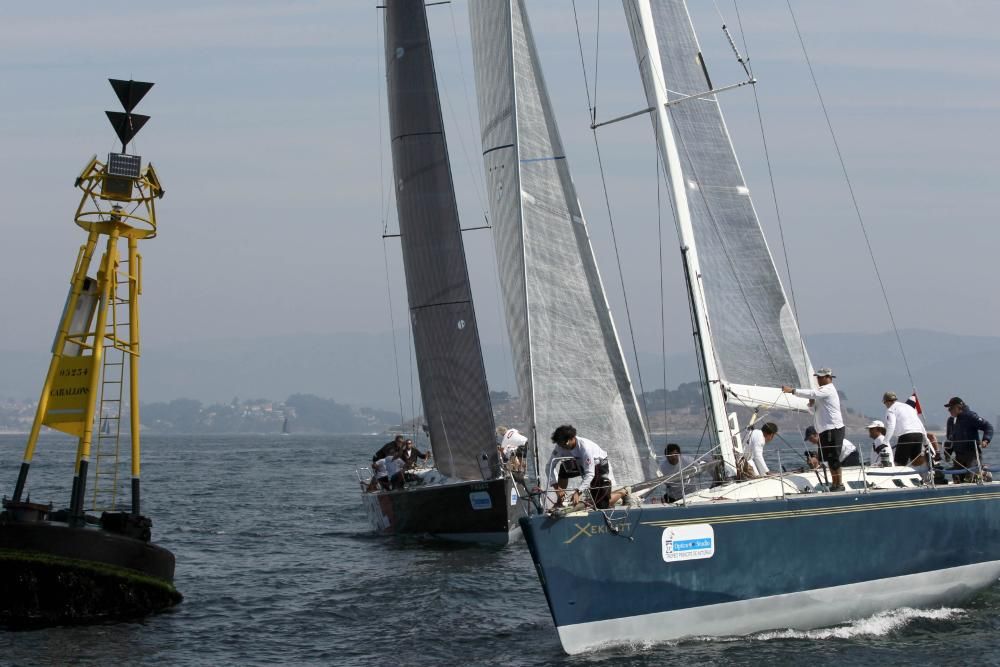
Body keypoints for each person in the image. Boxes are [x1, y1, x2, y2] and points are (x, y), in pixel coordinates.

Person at [783, 368, 845, 491]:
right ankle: (834, 484)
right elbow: (813, 411)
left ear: (829, 377)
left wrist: (792, 391)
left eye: (821, 377)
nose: (818, 379)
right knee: (828, 459)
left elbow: (812, 393)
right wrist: (811, 405)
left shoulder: (828, 389)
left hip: (833, 428)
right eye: (817, 377)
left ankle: (839, 484)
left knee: (833, 458)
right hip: (825, 430)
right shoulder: (820, 393)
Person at [547, 424, 631, 510]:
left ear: (572, 438)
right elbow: (549, 466)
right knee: (564, 468)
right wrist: (557, 487)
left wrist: (578, 492)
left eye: (564, 445)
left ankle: (624, 491)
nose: (562, 448)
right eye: (560, 445)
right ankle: (560, 501)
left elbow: (590, 473)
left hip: (598, 465)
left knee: (601, 505)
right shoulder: (560, 446)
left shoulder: (585, 448)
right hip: (580, 462)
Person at [943, 397, 994, 483]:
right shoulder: (951, 421)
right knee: (957, 479)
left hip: (972, 455)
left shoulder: (970, 416)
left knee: (969, 479)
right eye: (949, 408)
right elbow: (950, 439)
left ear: (959, 407)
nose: (949, 410)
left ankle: (984, 474)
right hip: (958, 456)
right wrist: (947, 453)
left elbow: (988, 427)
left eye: (951, 408)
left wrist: (985, 440)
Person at [882, 391, 927, 466]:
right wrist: (926, 441)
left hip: (906, 436)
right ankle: (924, 472)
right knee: (916, 460)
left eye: (884, 403)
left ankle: (897, 476)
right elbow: (920, 424)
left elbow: (891, 426)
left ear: (886, 401)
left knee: (899, 463)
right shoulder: (909, 407)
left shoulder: (891, 410)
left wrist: (885, 442)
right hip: (919, 435)